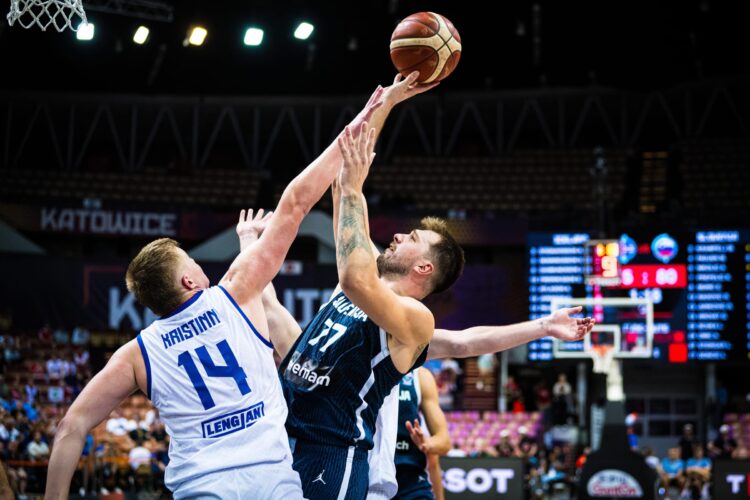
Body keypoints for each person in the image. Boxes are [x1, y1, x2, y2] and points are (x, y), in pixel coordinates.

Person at [43, 81, 389, 499]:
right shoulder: (235, 293)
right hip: (271, 483)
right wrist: (363, 119)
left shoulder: (136, 354)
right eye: (190, 260)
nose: (198, 264)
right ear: (188, 281)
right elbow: (297, 200)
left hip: (202, 487)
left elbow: (71, 426)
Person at [394, 368, 450, 500]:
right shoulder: (363, 367)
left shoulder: (421, 376)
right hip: (368, 475)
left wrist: (428, 443)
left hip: (410, 481)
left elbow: (444, 442)